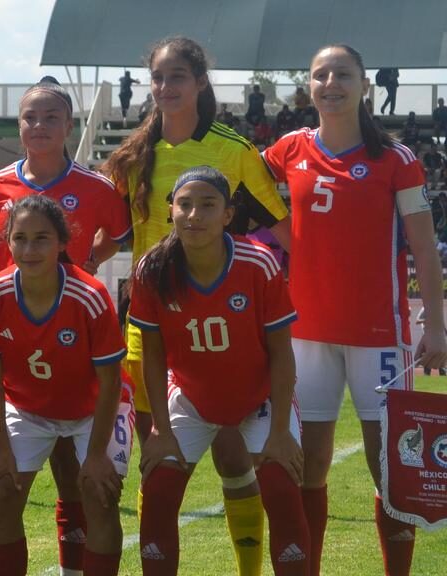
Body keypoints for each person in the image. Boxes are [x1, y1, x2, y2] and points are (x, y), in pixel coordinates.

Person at [104, 35, 290, 576]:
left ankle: (249, 570)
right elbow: (110, 233)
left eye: (177, 77)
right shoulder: (133, 156)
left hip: (227, 327)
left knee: (234, 454)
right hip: (151, 329)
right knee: (156, 459)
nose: (165, 87)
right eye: (158, 78)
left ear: (200, 83)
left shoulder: (233, 150)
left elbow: (284, 229)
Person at [262, 44, 447, 576]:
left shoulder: (396, 159)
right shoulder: (288, 149)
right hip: (306, 335)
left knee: (390, 468)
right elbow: (242, 189)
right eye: (320, 75)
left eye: (342, 74)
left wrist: (434, 324)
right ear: (310, 87)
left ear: (364, 84)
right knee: (309, 466)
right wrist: (290, 237)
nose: (330, 83)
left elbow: (424, 248)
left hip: (379, 337)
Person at [0, 75, 131, 575]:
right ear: (19, 125)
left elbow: (116, 238)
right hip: (18, 350)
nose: (39, 125)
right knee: (9, 485)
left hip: (76, 344)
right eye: (30, 117)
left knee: (84, 485)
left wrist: (87, 265)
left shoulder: (96, 188)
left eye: (50, 116)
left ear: (69, 125)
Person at [129, 166, 309, 576]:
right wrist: (161, 428)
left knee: (282, 487)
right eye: (185, 204)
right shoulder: (152, 270)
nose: (195, 214)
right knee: (158, 490)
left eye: (208, 205)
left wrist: (280, 432)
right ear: (170, 210)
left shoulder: (257, 263)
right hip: (192, 399)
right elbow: (152, 356)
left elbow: (282, 354)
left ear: (228, 214)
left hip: (259, 399)